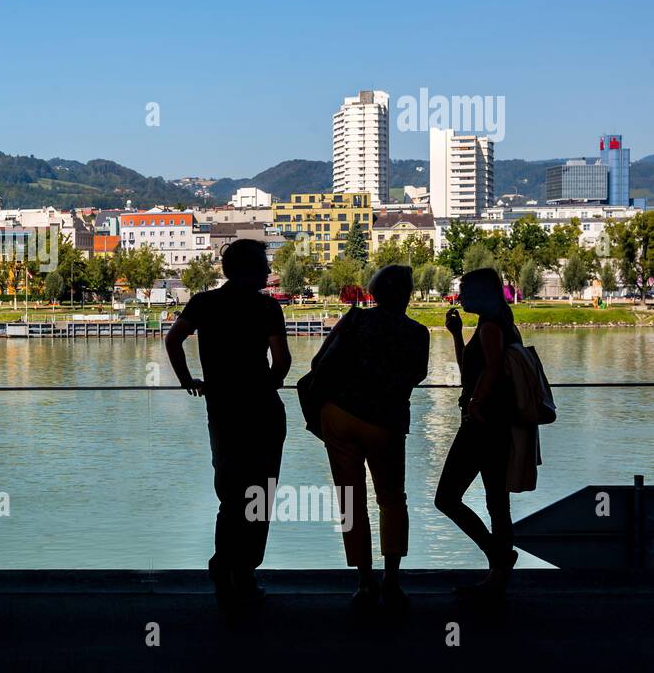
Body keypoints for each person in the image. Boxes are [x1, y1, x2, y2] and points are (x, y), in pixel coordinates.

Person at [165, 239, 290, 609]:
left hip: (222, 410)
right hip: (263, 411)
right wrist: (268, 383)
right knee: (259, 494)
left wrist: (188, 381)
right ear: (251, 271)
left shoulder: (204, 303)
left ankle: (224, 567)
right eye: (264, 266)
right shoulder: (267, 307)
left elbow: (174, 340)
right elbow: (281, 360)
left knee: (231, 493)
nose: (269, 272)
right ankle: (245, 572)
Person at [309, 265, 428, 611]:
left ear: (375, 292)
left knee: (350, 499)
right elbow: (417, 375)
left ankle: (364, 581)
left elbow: (319, 363)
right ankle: (392, 580)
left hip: (341, 416)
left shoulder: (356, 321)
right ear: (406, 295)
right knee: (392, 500)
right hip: (386, 422)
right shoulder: (418, 333)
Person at [435, 266, 522, 600]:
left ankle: (498, 558)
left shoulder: (490, 328)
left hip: (482, 424)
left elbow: (495, 368)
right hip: (497, 424)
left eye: (465, 290)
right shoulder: (498, 324)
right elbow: (472, 370)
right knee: (497, 502)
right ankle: (498, 574)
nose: (460, 295)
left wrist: (475, 403)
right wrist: (456, 335)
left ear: (481, 294)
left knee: (447, 497)